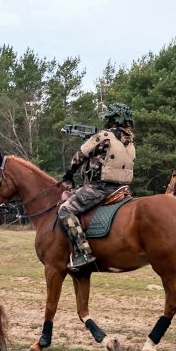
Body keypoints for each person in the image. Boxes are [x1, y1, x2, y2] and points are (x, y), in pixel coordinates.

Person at [58, 102, 135, 272]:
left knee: (65, 210)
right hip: (122, 189)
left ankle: (82, 252)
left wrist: (68, 175)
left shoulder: (104, 136)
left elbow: (80, 156)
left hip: (100, 188)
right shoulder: (130, 141)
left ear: (112, 118)